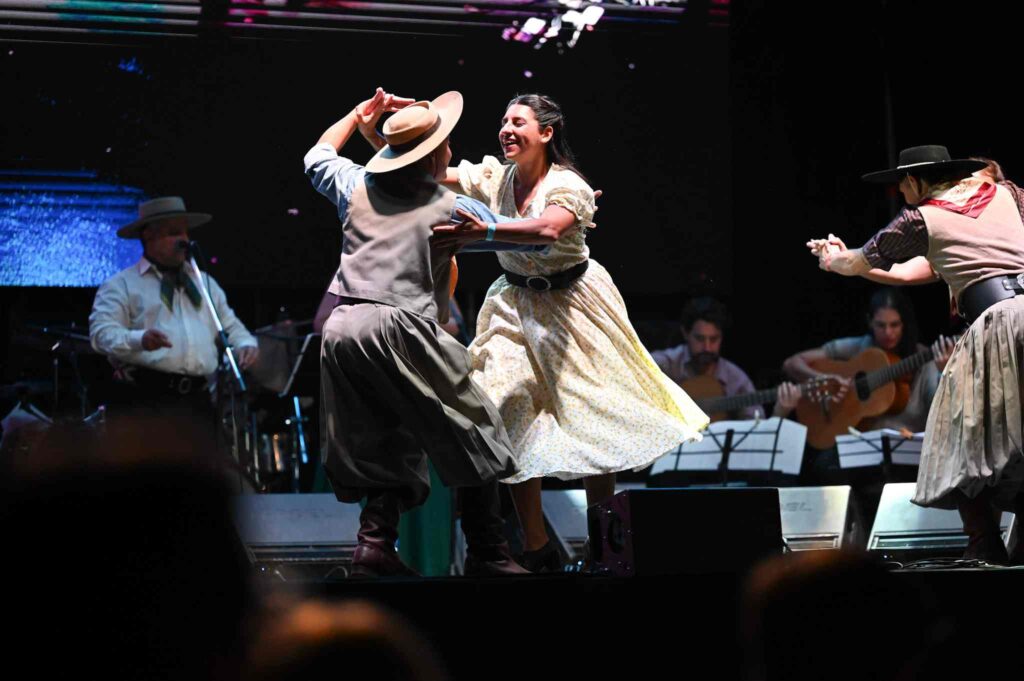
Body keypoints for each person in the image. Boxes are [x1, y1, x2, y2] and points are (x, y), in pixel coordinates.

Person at [305, 88, 573, 577]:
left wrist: (355, 115)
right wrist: (572, 210)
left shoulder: (355, 184)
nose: (450, 150)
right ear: (432, 156)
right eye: (445, 144)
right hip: (397, 324)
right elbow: (533, 242)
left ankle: (373, 547)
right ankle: (488, 551)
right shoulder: (449, 208)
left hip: (342, 329)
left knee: (382, 434)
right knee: (477, 427)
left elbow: (317, 156)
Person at [440, 94, 708, 571]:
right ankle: (536, 546)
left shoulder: (569, 185)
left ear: (546, 133)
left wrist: (484, 233)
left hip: (573, 306)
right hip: (513, 305)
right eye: (503, 121)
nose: (506, 129)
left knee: (590, 415)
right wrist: (386, 138)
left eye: (518, 121)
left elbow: (546, 231)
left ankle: (604, 543)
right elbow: (423, 173)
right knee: (505, 408)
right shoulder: (495, 177)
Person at [810, 144, 1024, 564]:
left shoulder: (921, 217)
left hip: (998, 326)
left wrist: (833, 259)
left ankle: (984, 544)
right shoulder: (1009, 194)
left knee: (958, 435)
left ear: (912, 180)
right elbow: (909, 272)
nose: (901, 194)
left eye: (901, 185)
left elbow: (858, 262)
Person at [89, 196, 259, 416]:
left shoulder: (203, 282)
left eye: (185, 232)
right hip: (143, 399)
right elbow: (101, 334)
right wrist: (140, 339)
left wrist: (245, 343)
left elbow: (230, 325)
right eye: (173, 233)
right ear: (149, 236)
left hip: (198, 401)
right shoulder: (122, 284)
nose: (183, 240)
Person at [652, 297, 801, 420]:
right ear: (685, 333)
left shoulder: (736, 379)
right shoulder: (666, 363)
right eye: (700, 338)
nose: (707, 347)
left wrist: (779, 413)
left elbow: (758, 431)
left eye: (714, 339)